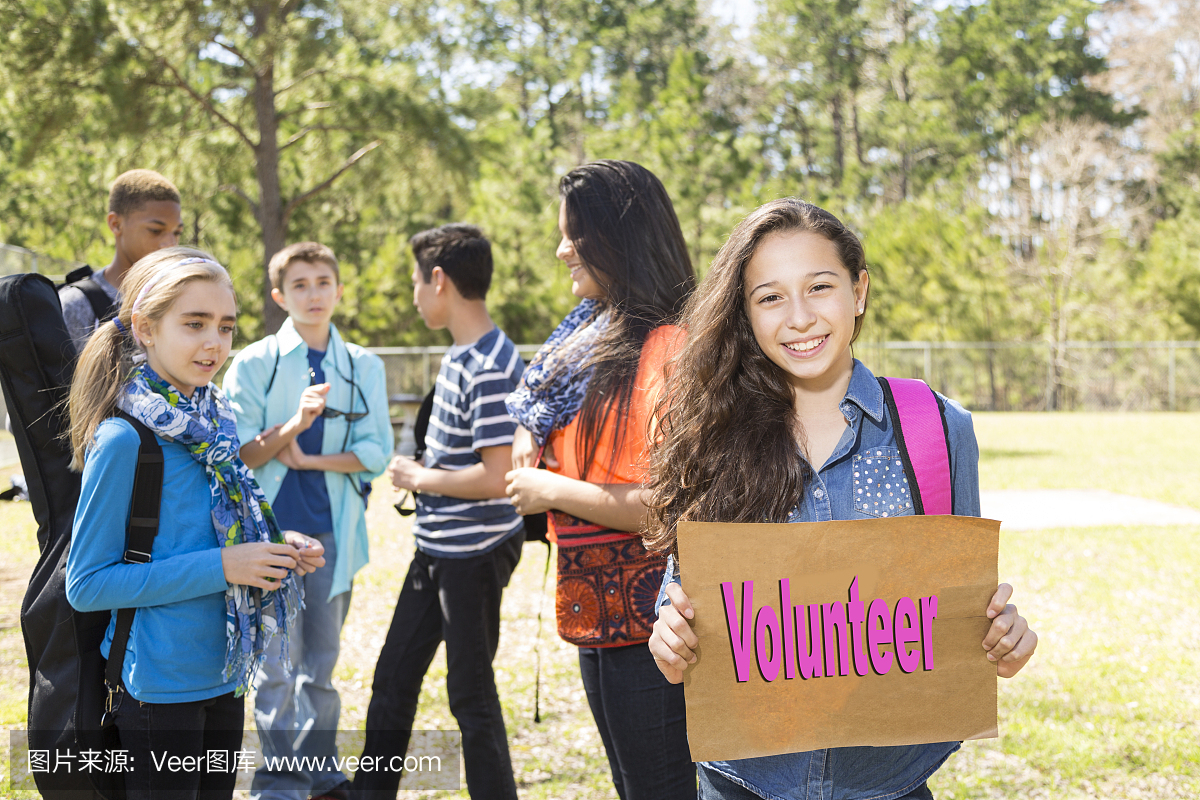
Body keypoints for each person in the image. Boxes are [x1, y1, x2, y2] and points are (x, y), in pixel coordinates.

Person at [644, 198, 1040, 800]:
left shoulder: (936, 427)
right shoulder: (712, 434)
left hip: (892, 782)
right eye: (770, 297)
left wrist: (1000, 640)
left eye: (820, 287)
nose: (799, 317)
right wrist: (669, 638)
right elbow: (683, 608)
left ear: (859, 291)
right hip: (742, 782)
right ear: (745, 315)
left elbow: (960, 613)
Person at [64, 247, 323, 800]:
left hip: (227, 673)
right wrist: (225, 566)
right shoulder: (124, 439)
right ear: (146, 328)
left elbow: (212, 532)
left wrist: (277, 547)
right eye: (195, 324)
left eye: (226, 327)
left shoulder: (218, 421)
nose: (214, 343)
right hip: (158, 688)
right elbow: (86, 586)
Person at [504, 160, 697, 800]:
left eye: (574, 235)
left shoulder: (670, 343)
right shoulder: (588, 338)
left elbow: (666, 507)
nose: (561, 250)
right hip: (596, 612)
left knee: (661, 787)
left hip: (654, 621)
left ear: (621, 238)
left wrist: (550, 490)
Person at [353, 224, 525, 800]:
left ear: (439, 280)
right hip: (436, 551)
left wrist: (418, 476)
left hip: (471, 557)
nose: (412, 296)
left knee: (470, 697)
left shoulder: (493, 364)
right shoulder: (462, 354)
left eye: (414, 283)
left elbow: (501, 478)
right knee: (392, 680)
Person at [222, 242, 393, 800]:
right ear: (279, 296)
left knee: (318, 665)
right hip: (265, 539)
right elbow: (238, 454)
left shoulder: (362, 364)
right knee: (275, 667)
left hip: (331, 533)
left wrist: (310, 458)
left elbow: (377, 452)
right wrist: (295, 423)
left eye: (323, 281)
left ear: (339, 289)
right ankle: (278, 785)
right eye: (300, 284)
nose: (314, 293)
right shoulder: (252, 363)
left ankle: (321, 777)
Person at [58, 169, 184, 352]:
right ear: (115, 224)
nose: (170, 244)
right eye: (156, 230)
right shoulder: (77, 304)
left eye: (177, 233)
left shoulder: (182, 298)